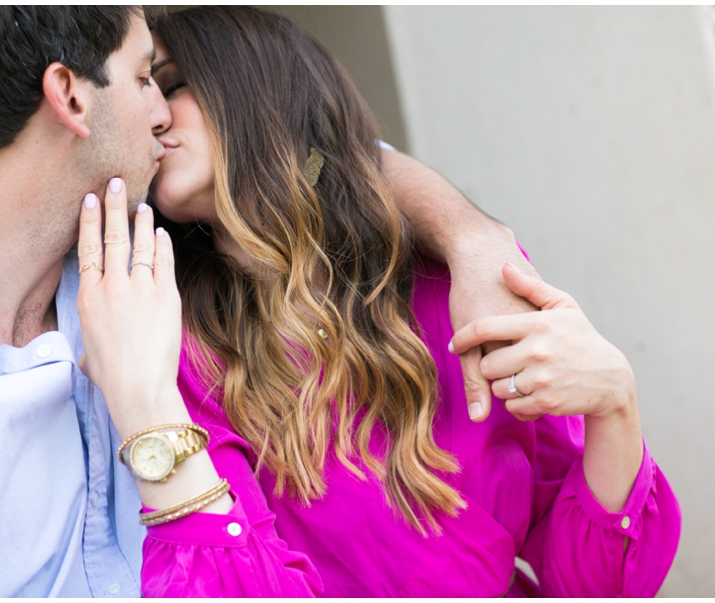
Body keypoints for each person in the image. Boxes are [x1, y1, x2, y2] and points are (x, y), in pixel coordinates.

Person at [0, 6, 553, 597]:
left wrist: (475, 238)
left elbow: (311, 152)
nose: (164, 115)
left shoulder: (144, 251)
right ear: (70, 96)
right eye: (145, 77)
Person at [75, 7, 681, 597]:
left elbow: (596, 586)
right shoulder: (175, 344)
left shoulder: (454, 287)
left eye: (173, 83)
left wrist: (616, 408)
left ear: (258, 85)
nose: (152, 117)